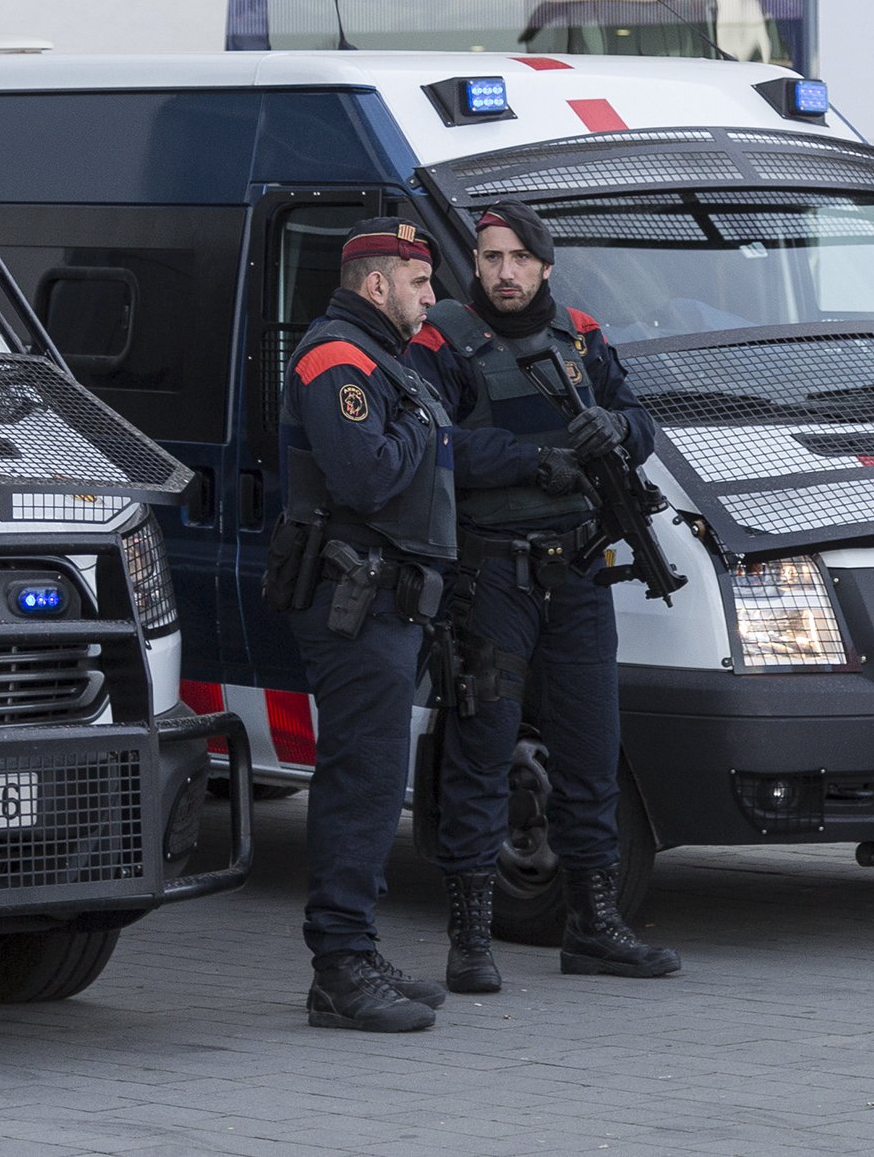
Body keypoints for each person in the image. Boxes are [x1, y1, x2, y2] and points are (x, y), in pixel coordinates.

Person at [406, 201, 681, 994]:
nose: (503, 272)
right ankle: (470, 940)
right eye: (490, 257)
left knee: (591, 754)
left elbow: (639, 417)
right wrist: (533, 463)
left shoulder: (583, 335)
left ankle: (593, 927)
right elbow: (435, 441)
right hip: (494, 577)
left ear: (545, 265)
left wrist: (614, 433)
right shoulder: (445, 339)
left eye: (518, 258)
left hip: (581, 574)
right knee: (482, 754)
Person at [271, 217, 455, 1032]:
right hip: (356, 596)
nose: (433, 296)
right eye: (420, 282)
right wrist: (420, 422)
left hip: (390, 596)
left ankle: (358, 946)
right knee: (361, 779)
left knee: (378, 781)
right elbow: (367, 473)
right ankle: (340, 969)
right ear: (377, 284)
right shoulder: (337, 358)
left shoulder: (383, 357)